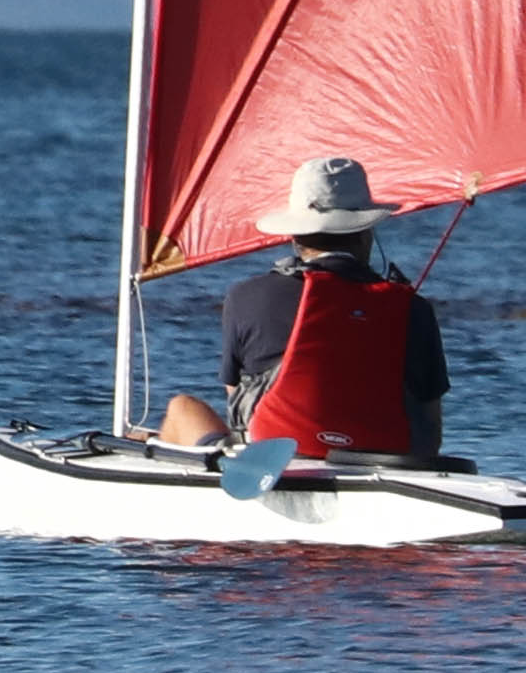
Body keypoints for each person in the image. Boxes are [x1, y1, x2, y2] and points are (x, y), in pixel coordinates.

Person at [154, 154, 448, 461]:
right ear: (365, 235)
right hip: (385, 462)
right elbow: (431, 430)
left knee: (181, 409)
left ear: (296, 236)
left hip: (275, 461)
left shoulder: (246, 296)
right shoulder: (415, 309)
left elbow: (238, 405)